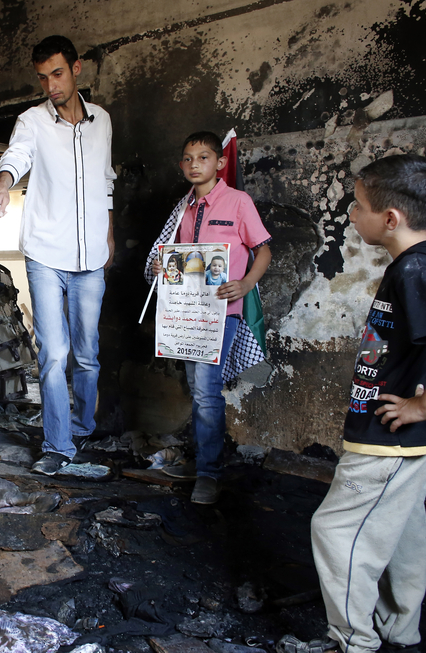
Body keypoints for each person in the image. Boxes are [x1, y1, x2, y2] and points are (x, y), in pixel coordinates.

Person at [279, 155, 426, 653]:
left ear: (390, 218)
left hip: (389, 437)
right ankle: (398, 627)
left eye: (359, 206)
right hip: (412, 437)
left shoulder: (415, 269)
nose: (352, 214)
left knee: (337, 530)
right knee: (401, 523)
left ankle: (355, 641)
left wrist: (423, 405)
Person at [0, 35, 116, 476]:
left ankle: (81, 427)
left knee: (87, 354)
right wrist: (1, 185)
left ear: (76, 68)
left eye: (57, 74)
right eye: (42, 78)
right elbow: (16, 156)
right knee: (54, 353)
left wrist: (109, 235)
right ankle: (57, 444)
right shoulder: (31, 121)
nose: (51, 86)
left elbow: (106, 181)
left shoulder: (102, 122)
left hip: (91, 257)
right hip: (44, 254)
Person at [144, 131, 272, 503]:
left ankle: (209, 474)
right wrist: (162, 266)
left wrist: (246, 284)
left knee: (206, 390)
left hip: (222, 311)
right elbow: (181, 259)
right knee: (197, 388)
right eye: (187, 158)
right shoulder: (183, 208)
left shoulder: (238, 201)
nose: (194, 164)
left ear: (220, 162)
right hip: (186, 313)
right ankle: (203, 461)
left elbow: (264, 250)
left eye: (203, 157)